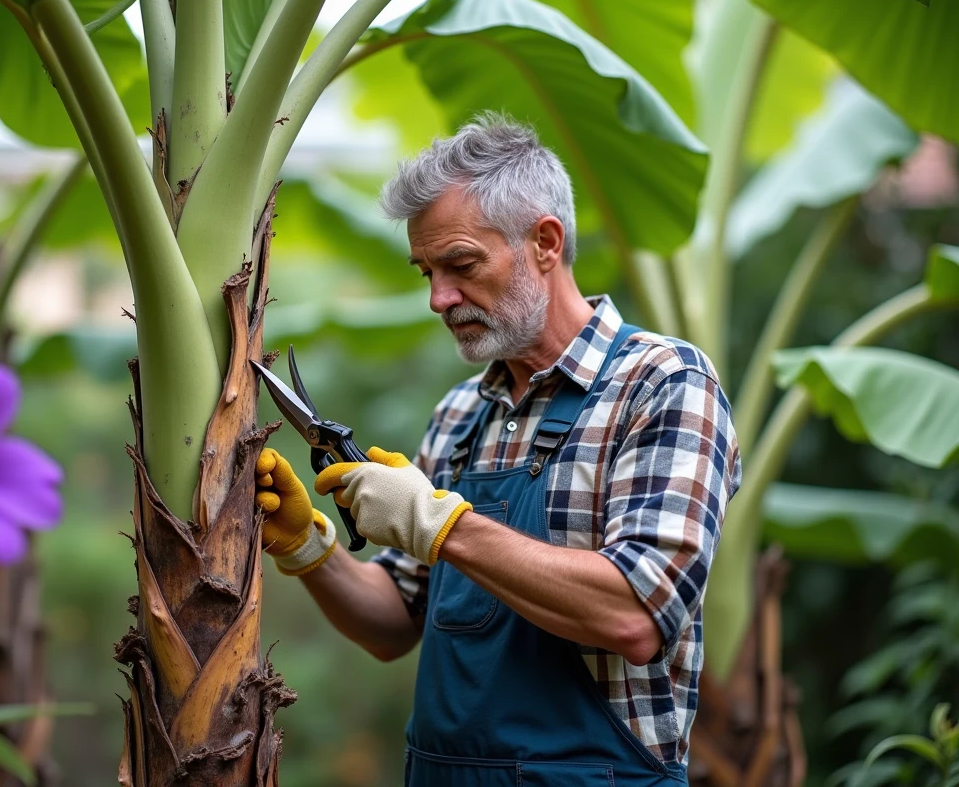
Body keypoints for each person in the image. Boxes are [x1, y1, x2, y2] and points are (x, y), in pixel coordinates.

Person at [254, 113, 741, 786]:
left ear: (544, 241)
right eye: (426, 270)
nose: (438, 297)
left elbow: (635, 614)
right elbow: (395, 623)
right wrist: (309, 548)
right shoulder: (460, 414)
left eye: (460, 265)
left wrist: (439, 523)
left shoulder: (662, 384)